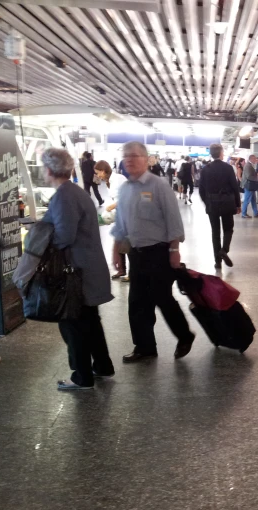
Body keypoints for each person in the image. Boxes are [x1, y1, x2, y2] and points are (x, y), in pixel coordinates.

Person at [111, 141, 195, 363]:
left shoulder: (158, 186)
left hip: (159, 253)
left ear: (146, 159)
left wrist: (174, 250)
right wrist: (116, 253)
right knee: (137, 302)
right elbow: (120, 225)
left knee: (162, 297)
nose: (129, 159)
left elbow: (173, 220)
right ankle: (145, 347)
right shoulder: (125, 188)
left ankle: (185, 336)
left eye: (135, 155)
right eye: (126, 155)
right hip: (136, 254)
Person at [40, 148, 114, 390]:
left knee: (73, 322)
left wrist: (43, 246)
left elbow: (64, 235)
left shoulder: (63, 196)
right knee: (90, 319)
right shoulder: (77, 192)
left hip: (75, 271)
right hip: (88, 267)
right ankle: (102, 365)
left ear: (49, 170)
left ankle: (82, 377)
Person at [198, 144, 241, 269]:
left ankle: (217, 262)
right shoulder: (228, 168)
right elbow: (235, 187)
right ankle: (224, 250)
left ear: (211, 154)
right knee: (228, 229)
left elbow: (201, 189)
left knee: (215, 232)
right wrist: (238, 204)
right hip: (227, 202)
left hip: (212, 203)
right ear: (221, 153)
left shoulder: (206, 169)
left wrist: (207, 202)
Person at [94, 160, 129, 282]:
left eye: (98, 173)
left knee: (127, 244)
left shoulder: (118, 179)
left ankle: (131, 273)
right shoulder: (110, 181)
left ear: (103, 171)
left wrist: (112, 207)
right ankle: (122, 270)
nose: (98, 176)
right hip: (121, 214)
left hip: (128, 215)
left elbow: (128, 197)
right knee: (119, 242)